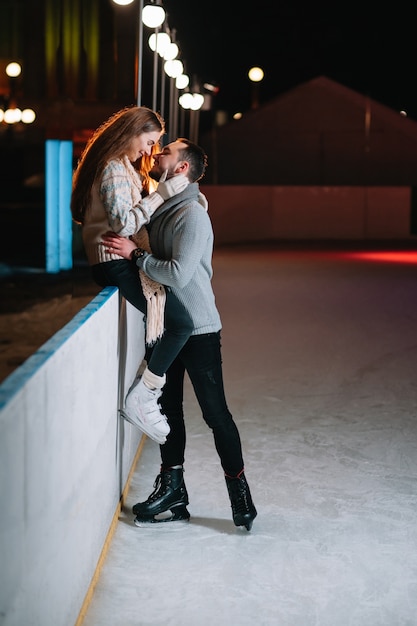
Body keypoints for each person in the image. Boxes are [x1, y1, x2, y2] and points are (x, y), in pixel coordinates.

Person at [101, 138, 257, 532]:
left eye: (166, 152)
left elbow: (177, 274)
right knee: (167, 411)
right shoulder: (163, 206)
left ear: (182, 169)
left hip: (199, 329)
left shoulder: (191, 214)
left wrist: (133, 255)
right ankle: (173, 490)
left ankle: (240, 494)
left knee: (215, 413)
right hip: (165, 322)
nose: (158, 154)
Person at [70, 106, 195, 445]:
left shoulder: (123, 166)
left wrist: (186, 199)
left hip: (119, 259)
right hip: (111, 261)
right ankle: (144, 397)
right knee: (181, 322)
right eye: (150, 141)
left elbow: (145, 202)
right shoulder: (112, 168)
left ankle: (149, 393)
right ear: (132, 131)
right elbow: (126, 223)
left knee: (173, 317)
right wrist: (160, 195)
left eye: (156, 145)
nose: (150, 150)